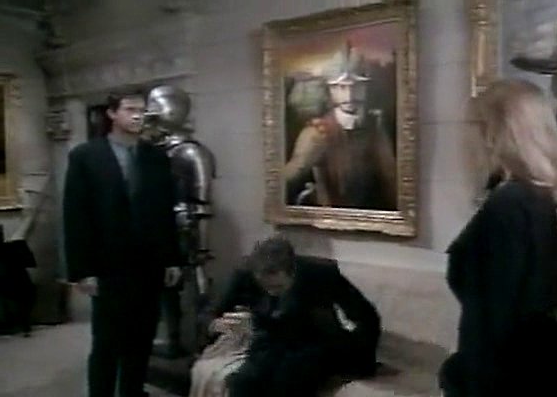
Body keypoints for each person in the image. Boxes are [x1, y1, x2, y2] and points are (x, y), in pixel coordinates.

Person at [439, 79, 557, 397]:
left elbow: (496, 325)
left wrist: (456, 378)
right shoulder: (548, 198)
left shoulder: (510, 205)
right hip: (543, 373)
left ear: (493, 135)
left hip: (503, 382)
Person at [63, 90, 182, 397]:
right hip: (108, 265)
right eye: (129, 109)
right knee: (107, 342)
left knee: (141, 340)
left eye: (141, 109)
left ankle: (132, 392)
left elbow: (164, 211)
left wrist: (171, 259)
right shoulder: (86, 156)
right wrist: (82, 270)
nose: (137, 115)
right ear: (112, 113)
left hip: (149, 264)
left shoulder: (156, 157)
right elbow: (75, 215)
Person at [206, 236, 380, 397]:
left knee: (287, 380)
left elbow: (367, 316)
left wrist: (360, 357)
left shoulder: (321, 275)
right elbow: (210, 312)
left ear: (293, 272)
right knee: (242, 382)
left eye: (278, 287)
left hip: (312, 341)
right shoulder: (244, 275)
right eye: (266, 287)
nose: (271, 292)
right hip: (269, 342)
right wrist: (215, 324)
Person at [144, 85, 216, 359]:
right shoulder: (155, 151)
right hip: (160, 227)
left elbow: (203, 202)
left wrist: (203, 247)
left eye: (155, 105)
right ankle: (173, 339)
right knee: (165, 286)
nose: (150, 112)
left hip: (186, 225)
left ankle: (203, 342)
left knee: (198, 286)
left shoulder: (191, 152)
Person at [284, 42, 397, 210]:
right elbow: (288, 177)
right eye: (341, 87)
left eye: (356, 86)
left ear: (365, 87)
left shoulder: (373, 127)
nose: (349, 95)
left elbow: (391, 178)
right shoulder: (317, 133)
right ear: (330, 90)